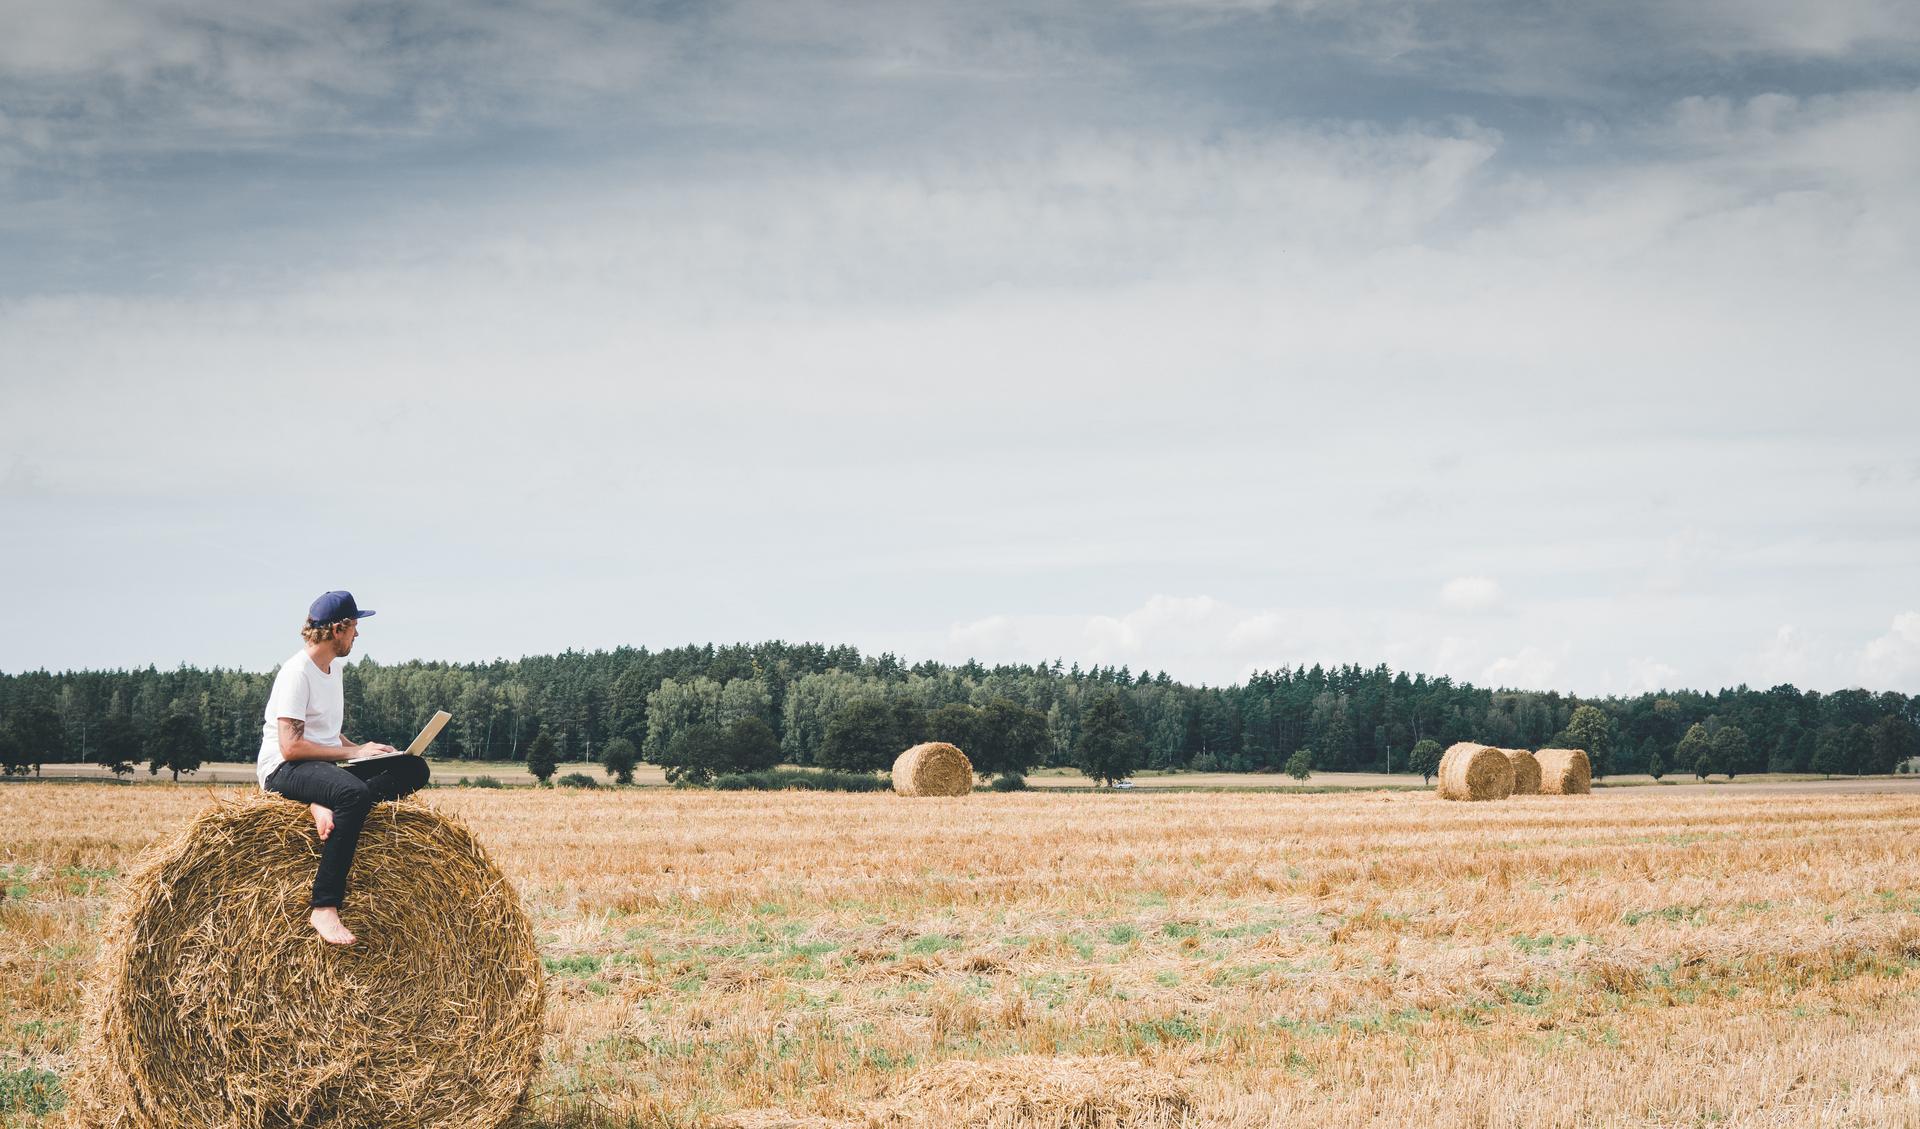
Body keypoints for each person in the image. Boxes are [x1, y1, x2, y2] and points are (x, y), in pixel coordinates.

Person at [257, 590, 430, 945]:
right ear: (338, 628)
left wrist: (363, 751)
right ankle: (324, 906)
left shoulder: (332, 670)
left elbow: (328, 734)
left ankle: (327, 799)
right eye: (354, 627)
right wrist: (346, 755)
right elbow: (290, 747)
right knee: (352, 794)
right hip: (283, 771)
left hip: (318, 767)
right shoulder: (296, 673)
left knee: (413, 768)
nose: (358, 635)